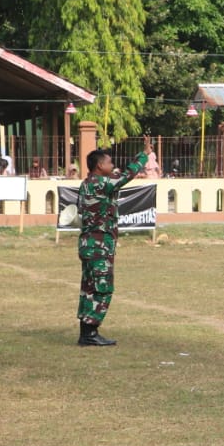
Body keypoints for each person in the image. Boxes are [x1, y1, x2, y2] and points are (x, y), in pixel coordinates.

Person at [76, 136, 150, 346]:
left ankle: (86, 333)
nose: (112, 166)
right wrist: (144, 155)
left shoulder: (88, 183)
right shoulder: (102, 183)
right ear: (100, 166)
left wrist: (139, 154)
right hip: (99, 245)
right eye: (109, 162)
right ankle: (90, 333)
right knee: (102, 287)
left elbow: (119, 175)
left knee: (88, 288)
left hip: (88, 244)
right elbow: (125, 176)